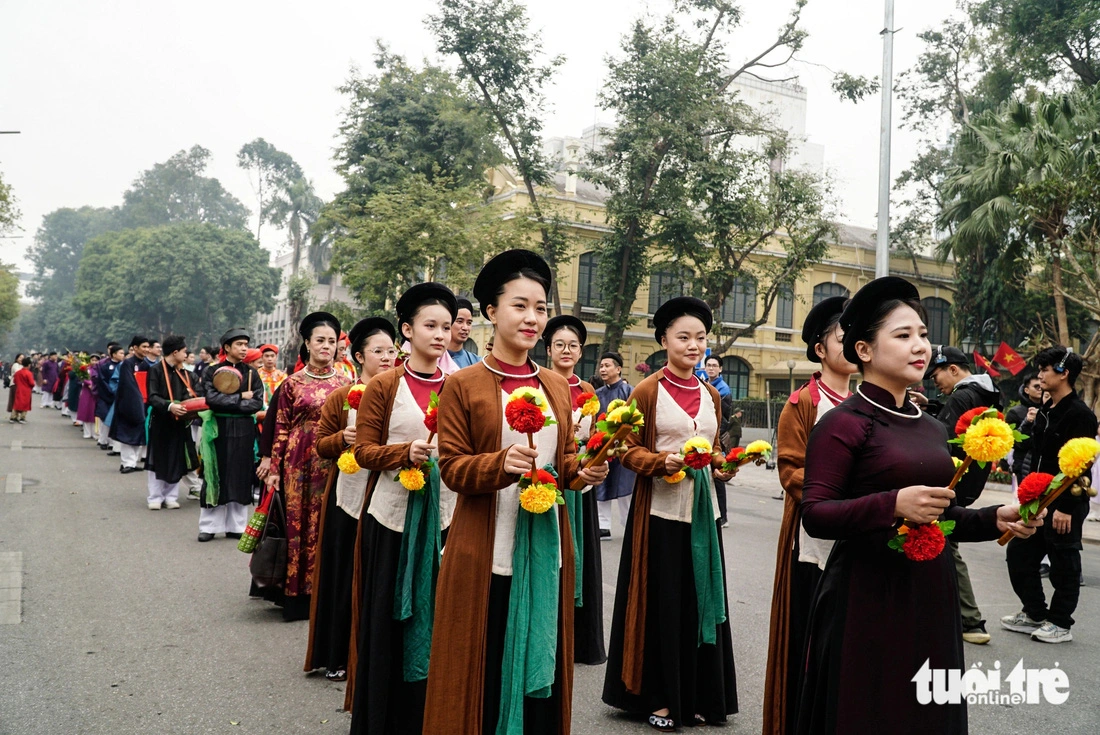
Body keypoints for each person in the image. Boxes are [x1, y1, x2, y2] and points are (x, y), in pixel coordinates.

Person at [795, 277, 1042, 734]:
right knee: (870, 710)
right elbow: (816, 515)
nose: (920, 346)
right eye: (903, 335)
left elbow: (943, 516)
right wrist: (892, 504)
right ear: (865, 351)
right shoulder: (843, 424)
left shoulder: (930, 426)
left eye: (924, 335)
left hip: (931, 592)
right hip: (866, 595)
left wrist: (995, 518)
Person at [423, 249, 608, 735]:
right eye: (520, 305)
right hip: (486, 552)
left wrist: (582, 471)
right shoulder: (462, 384)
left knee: (540, 661)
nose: (532, 318)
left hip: (546, 549)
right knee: (483, 667)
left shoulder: (557, 386)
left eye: (541, 307)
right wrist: (500, 464)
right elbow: (454, 469)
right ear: (491, 312)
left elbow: (562, 460)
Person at [602, 296, 738, 732]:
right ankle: (660, 698)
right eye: (684, 337)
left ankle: (699, 694)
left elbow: (714, 449)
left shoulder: (711, 393)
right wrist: (661, 463)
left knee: (702, 598)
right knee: (665, 600)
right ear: (663, 341)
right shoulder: (646, 391)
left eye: (700, 338)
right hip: (659, 514)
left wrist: (725, 464)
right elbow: (624, 449)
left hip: (702, 511)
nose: (694, 345)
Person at [348, 284, 459, 734]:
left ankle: (430, 715)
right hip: (390, 518)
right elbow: (364, 452)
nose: (439, 335)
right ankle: (381, 717)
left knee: (439, 618)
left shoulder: (459, 387)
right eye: (429, 326)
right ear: (407, 331)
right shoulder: (384, 385)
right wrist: (403, 453)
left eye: (446, 327)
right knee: (388, 618)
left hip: (447, 518)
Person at [763, 295, 855, 735]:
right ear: (820, 349)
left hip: (861, 537)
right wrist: (839, 496)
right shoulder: (803, 402)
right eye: (843, 337)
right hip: (814, 541)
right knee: (811, 640)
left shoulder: (868, 401)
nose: (854, 344)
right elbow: (790, 471)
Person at [306, 317, 397, 689]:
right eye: (378, 351)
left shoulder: (401, 393)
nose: (388, 358)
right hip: (348, 498)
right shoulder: (342, 397)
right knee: (344, 575)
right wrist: (342, 437)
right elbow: (321, 445)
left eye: (392, 351)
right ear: (359, 356)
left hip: (391, 498)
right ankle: (338, 654)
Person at [1003, 346, 1098, 644]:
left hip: (1066, 500)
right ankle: (1034, 613)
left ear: (1064, 373)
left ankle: (1059, 623)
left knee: (1063, 562)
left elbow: (1082, 463)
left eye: (1045, 369)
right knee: (1018, 554)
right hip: (1040, 498)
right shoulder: (1046, 409)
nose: (1040, 374)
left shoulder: (1080, 414)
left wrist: (1067, 507)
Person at [265, 312, 351, 620]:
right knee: (298, 526)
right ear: (308, 344)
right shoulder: (292, 384)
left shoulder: (346, 383)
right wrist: (275, 468)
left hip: (334, 462)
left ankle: (324, 596)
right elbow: (280, 428)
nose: (326, 347)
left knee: (327, 525)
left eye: (332, 341)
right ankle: (296, 595)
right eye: (320, 341)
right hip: (298, 464)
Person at [922, 345, 1004, 646]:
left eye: (937, 375)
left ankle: (971, 620)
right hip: (970, 482)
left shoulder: (962, 395)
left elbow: (944, 438)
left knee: (946, 545)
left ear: (953, 369)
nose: (937, 382)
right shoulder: (990, 393)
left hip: (951, 480)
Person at [545, 314, 607, 666]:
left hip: (581, 481)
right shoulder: (539, 385)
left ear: (581, 351)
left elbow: (596, 434)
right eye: (559, 345)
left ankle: (580, 640)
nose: (566, 350)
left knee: (582, 558)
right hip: (552, 480)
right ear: (549, 349)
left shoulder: (587, 391)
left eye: (573, 346)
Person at [198, 328, 264, 542]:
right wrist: (239, 397)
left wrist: (233, 400)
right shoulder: (212, 371)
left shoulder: (252, 373)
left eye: (246, 344)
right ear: (226, 347)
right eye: (239, 344)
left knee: (240, 474)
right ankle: (209, 526)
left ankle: (236, 526)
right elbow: (211, 399)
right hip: (219, 427)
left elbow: (257, 403)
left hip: (244, 430)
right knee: (215, 473)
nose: (244, 348)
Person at [143, 335, 200, 511]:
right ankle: (155, 496)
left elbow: (188, 395)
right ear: (175, 352)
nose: (186, 355)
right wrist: (170, 406)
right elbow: (152, 397)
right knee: (158, 458)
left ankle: (171, 496)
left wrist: (188, 405)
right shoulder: (156, 370)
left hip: (179, 422)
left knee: (176, 458)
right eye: (184, 352)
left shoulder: (184, 373)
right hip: (161, 420)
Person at [594, 351, 635, 538]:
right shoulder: (597, 395)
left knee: (626, 486)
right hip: (603, 445)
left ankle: (629, 524)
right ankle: (603, 525)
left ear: (618, 369)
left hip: (625, 447)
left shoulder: (630, 392)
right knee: (601, 482)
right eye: (601, 366)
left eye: (607, 365)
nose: (603, 369)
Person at [109, 336, 150, 474]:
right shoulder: (128, 364)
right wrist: (136, 403)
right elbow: (129, 386)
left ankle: (132, 462)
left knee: (138, 434)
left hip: (143, 403)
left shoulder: (145, 364)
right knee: (127, 434)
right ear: (135, 348)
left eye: (147, 347)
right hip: (129, 404)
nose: (146, 349)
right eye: (143, 346)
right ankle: (127, 463)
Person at [703, 355, 734, 527]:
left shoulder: (723, 390)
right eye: (708, 365)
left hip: (717, 439)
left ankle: (723, 516)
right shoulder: (704, 384)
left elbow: (724, 421)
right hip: (707, 437)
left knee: (718, 475)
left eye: (715, 365)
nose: (711, 368)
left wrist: (711, 439)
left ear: (720, 369)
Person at [1007, 374, 1044, 483]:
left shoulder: (1049, 410)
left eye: (1041, 385)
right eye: (1036, 387)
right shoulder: (1015, 413)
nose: (1040, 389)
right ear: (1027, 390)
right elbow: (1013, 442)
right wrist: (1028, 422)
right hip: (1023, 463)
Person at [94, 345, 124, 451]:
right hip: (106, 396)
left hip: (118, 397)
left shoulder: (124, 366)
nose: (123, 355)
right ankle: (103, 440)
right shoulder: (105, 366)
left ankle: (112, 443)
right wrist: (110, 392)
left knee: (114, 420)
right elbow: (102, 381)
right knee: (104, 419)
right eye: (120, 353)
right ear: (114, 354)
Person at [446, 297, 481, 369]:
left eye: (469, 323)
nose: (465, 328)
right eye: (459, 321)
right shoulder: (434, 359)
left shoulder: (476, 362)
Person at [77, 356, 98, 440]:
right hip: (87, 392)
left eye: (96, 360)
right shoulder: (86, 369)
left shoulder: (100, 369)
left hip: (96, 392)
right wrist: (89, 383)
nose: (94, 362)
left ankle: (95, 433)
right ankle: (87, 433)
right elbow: (82, 378)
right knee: (86, 412)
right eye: (92, 360)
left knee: (94, 413)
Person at [9, 357, 34, 422]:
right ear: (29, 365)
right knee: (25, 404)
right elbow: (31, 383)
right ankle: (22, 418)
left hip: (18, 389)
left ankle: (13, 417)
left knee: (16, 403)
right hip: (26, 390)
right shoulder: (29, 373)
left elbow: (14, 381)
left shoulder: (18, 373)